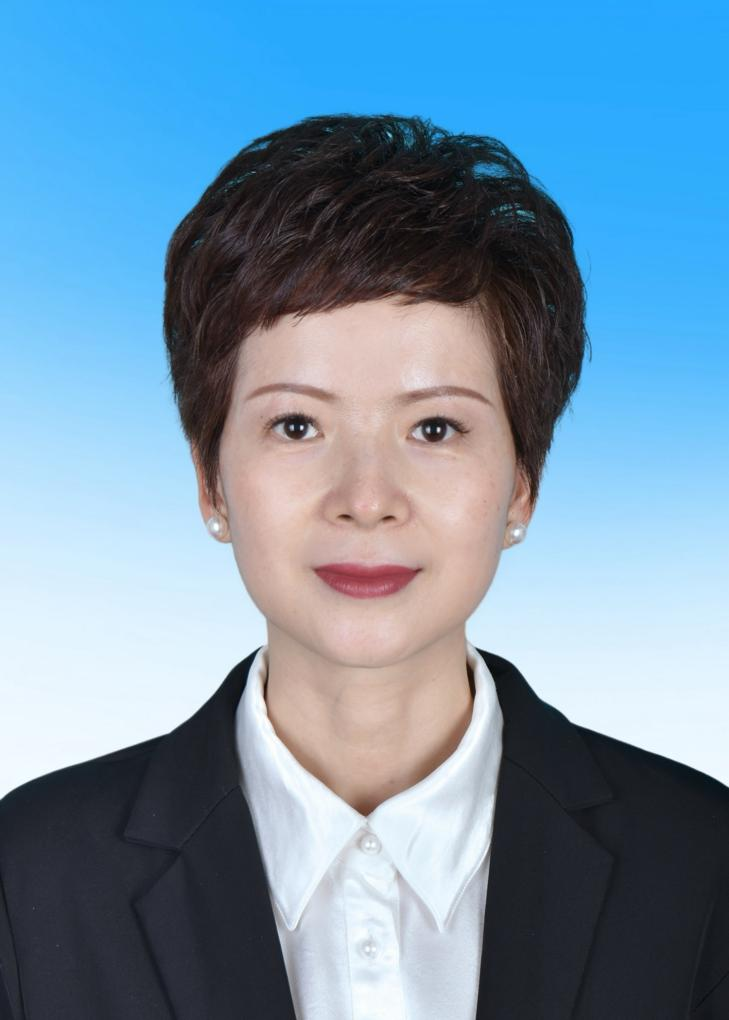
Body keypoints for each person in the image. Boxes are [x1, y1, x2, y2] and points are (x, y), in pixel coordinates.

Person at [0, 113, 726, 1020]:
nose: (366, 497)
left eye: (435, 427)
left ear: (521, 485)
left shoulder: (701, 867)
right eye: (296, 425)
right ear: (210, 480)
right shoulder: (29, 879)